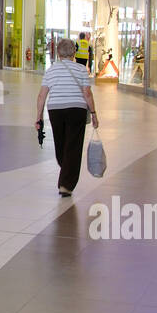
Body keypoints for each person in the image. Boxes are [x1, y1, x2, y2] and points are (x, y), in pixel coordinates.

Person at [36, 38, 99, 197]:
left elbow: (42, 95)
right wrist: (94, 113)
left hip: (55, 110)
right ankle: (67, 181)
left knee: (60, 143)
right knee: (73, 145)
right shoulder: (81, 69)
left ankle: (65, 180)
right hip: (76, 109)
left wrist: (39, 118)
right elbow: (87, 93)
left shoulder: (51, 70)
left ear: (57, 53)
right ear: (74, 52)